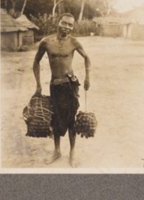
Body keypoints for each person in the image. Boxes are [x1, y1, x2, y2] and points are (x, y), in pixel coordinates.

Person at [33, 13, 90, 167]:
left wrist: (87, 78)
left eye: (70, 25)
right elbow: (36, 62)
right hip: (55, 86)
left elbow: (87, 58)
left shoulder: (74, 42)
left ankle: (72, 153)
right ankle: (57, 151)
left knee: (71, 121)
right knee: (55, 119)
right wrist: (38, 84)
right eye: (64, 23)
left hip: (70, 86)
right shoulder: (46, 42)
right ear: (58, 22)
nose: (67, 27)